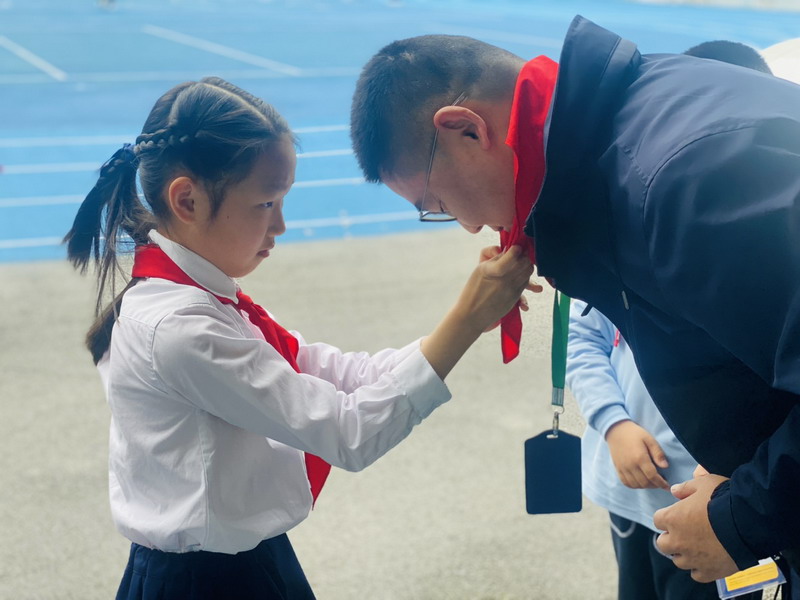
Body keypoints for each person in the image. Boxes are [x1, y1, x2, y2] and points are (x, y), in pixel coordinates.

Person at [349, 16, 800, 596]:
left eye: (435, 202)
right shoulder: (624, 134)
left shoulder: (681, 176)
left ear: (465, 129)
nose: (467, 225)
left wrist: (743, 516)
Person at [64, 76, 534, 599]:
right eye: (266, 203)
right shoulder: (182, 328)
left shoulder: (199, 299)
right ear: (188, 200)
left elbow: (332, 373)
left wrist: (465, 319)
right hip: (207, 583)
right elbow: (348, 432)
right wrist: (464, 322)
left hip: (241, 563)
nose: (281, 225)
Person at [567, 300, 761, 600]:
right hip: (629, 494)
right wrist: (613, 422)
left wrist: (738, 453)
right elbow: (582, 332)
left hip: (716, 513)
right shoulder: (612, 267)